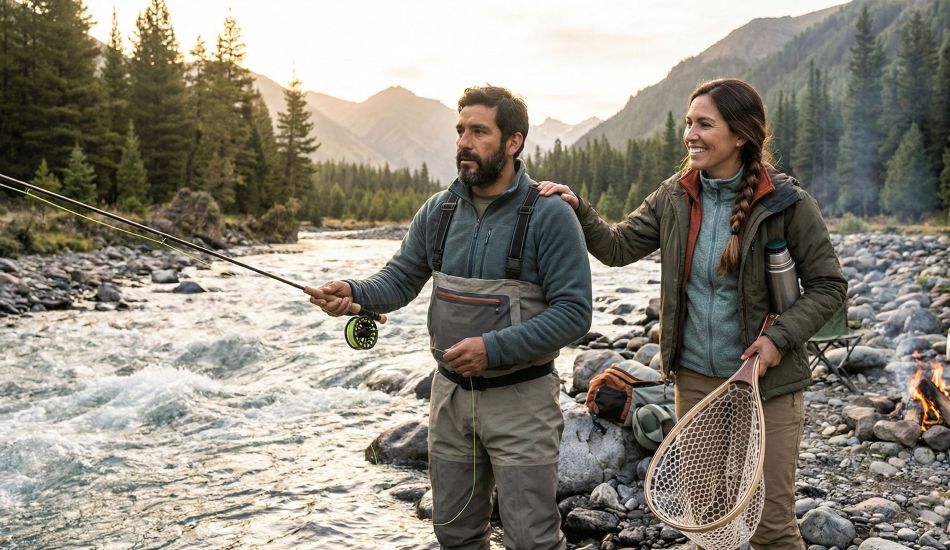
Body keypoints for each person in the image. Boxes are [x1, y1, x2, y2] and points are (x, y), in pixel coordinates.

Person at [538, 78, 847, 550]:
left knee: (772, 524)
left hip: (769, 385)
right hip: (696, 380)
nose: (691, 135)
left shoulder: (788, 203)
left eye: (705, 124)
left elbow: (829, 288)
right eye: (688, 123)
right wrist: (579, 209)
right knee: (705, 516)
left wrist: (777, 339)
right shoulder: (674, 196)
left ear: (740, 135)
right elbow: (618, 247)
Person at [309, 85, 592, 550]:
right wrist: (355, 293)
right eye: (461, 130)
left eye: (479, 131)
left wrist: (492, 349)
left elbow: (575, 313)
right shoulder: (438, 211)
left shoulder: (549, 215)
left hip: (521, 402)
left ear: (513, 141)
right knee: (455, 533)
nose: (464, 141)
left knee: (532, 539)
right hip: (450, 401)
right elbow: (399, 280)